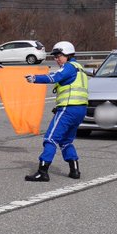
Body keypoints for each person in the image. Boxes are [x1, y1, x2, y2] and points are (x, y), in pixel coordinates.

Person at [23, 41, 88, 181]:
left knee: (50, 138)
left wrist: (35, 78)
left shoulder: (68, 67)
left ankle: (43, 171)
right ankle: (74, 170)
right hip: (80, 109)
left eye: (59, 56)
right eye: (55, 56)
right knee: (66, 141)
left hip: (68, 109)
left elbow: (54, 77)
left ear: (68, 55)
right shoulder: (79, 68)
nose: (56, 59)